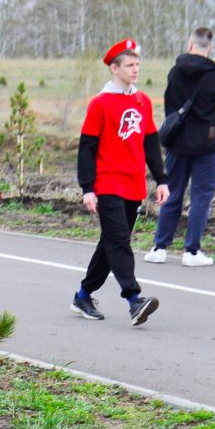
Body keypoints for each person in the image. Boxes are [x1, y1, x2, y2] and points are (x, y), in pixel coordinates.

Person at [73, 38, 168, 326]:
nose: (135, 69)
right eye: (129, 65)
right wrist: (87, 188)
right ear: (115, 69)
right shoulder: (100, 104)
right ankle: (133, 300)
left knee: (111, 243)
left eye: (137, 64)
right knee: (118, 242)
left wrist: (161, 180)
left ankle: (83, 294)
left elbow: (151, 143)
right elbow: (86, 148)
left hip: (133, 184)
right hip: (107, 184)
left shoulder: (142, 101)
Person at [147, 26, 215, 267]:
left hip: (178, 144)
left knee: (172, 193)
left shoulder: (175, 72)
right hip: (208, 146)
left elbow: (169, 106)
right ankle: (192, 251)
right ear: (210, 47)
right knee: (201, 197)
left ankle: (159, 247)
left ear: (190, 44)